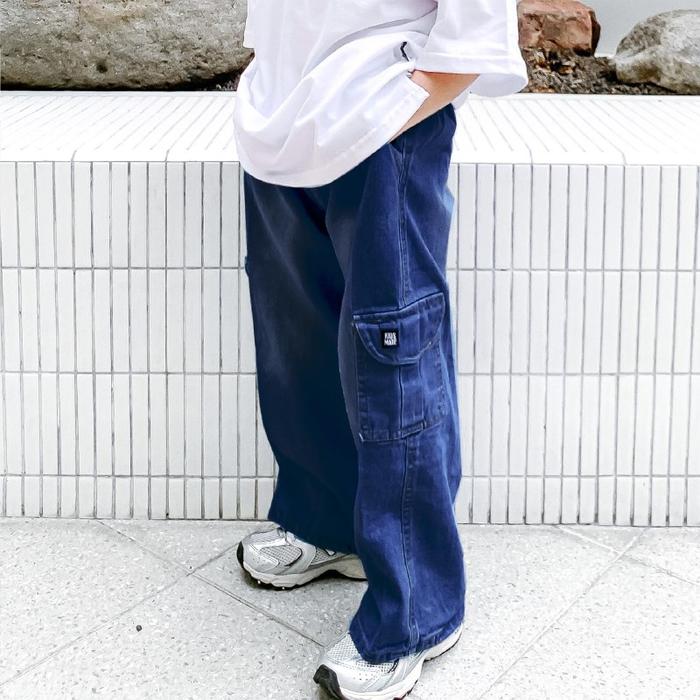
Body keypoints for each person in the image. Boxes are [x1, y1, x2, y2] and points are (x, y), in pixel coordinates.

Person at [232, 2, 527, 698]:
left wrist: (396, 103)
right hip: (279, 115)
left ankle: (418, 611)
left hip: (381, 118)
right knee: (296, 335)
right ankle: (327, 521)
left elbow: (476, 28)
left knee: (393, 356)